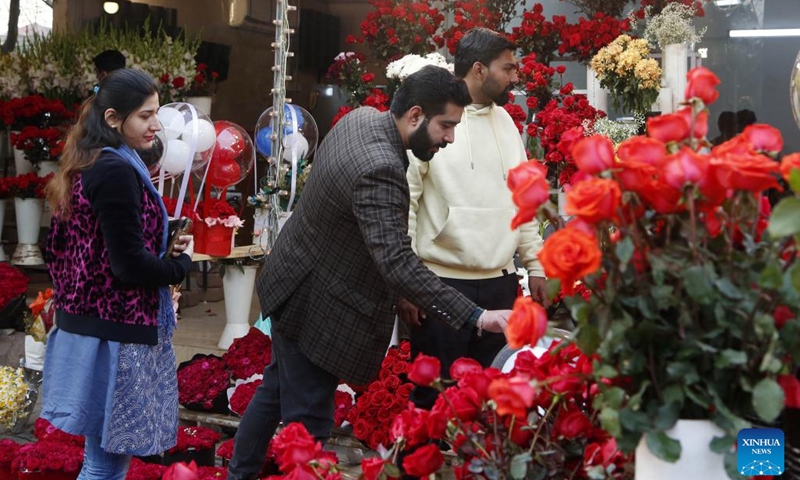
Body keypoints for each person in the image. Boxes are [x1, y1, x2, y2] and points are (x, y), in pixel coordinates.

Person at [227, 66, 512, 480]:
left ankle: (239, 474)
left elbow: (364, 230)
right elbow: (396, 260)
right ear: (415, 115)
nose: (450, 138)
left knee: (273, 393)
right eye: (446, 125)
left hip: (294, 278)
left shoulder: (362, 118)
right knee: (308, 430)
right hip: (317, 306)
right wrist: (478, 316)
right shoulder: (380, 167)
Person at [42, 69, 194, 480]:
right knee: (107, 467)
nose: (156, 124)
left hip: (94, 329)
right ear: (113, 118)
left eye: (157, 113)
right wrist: (180, 265)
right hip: (116, 337)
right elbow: (129, 265)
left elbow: (76, 246)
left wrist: (159, 239)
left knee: (101, 462)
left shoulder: (91, 161)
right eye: (145, 115)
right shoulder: (116, 170)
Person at [399, 28, 547, 409]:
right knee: (433, 404)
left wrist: (536, 265)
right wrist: (407, 284)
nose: (515, 76)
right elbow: (406, 203)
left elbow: (524, 199)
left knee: (489, 406)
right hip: (439, 286)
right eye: (507, 68)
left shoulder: (508, 124)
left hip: (500, 285)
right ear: (479, 70)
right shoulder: (436, 117)